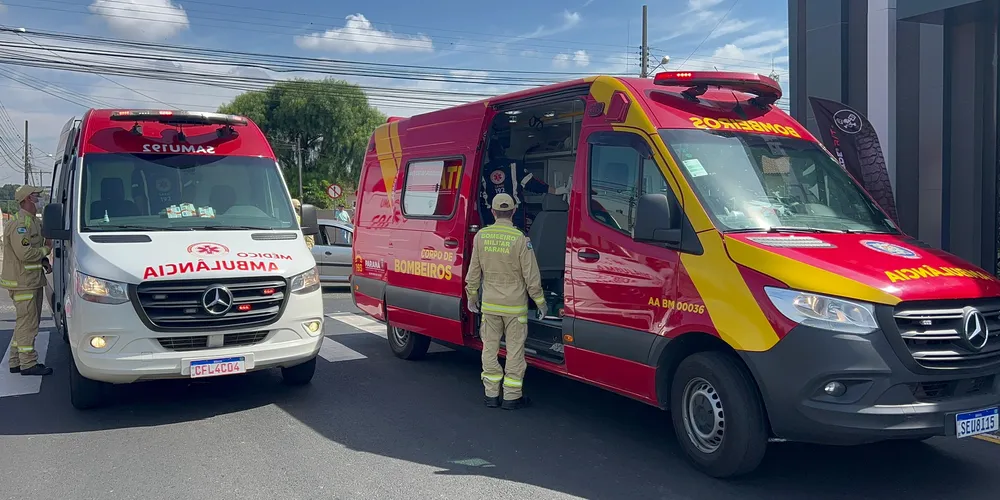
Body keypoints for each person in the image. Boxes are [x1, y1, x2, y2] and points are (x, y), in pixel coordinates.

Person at [465, 193, 546, 410]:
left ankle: (491, 395)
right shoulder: (520, 239)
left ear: (492, 212)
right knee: (515, 351)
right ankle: (511, 397)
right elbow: (531, 276)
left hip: (490, 305)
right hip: (514, 307)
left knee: (489, 349)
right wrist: (540, 303)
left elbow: (473, 272)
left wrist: (472, 296)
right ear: (513, 212)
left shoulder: (481, 237)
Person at [3, 185, 53, 376]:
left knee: (23, 323)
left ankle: (16, 361)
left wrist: (43, 261)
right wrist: (46, 250)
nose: (38, 199)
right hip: (23, 282)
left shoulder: (32, 222)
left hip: (31, 280)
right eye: (35, 196)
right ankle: (28, 363)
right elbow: (25, 253)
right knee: (28, 323)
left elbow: (33, 249)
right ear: (26, 199)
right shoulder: (20, 224)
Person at [479, 121, 567, 229]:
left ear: (489, 153)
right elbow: (533, 184)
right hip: (514, 219)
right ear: (503, 151)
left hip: (490, 220)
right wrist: (556, 191)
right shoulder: (515, 166)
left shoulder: (483, 170)